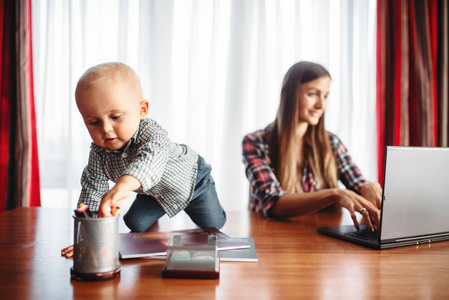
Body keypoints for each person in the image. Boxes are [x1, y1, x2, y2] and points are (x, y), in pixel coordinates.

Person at [62, 62, 226, 258]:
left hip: (195, 181)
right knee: (134, 224)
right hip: (153, 192)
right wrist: (88, 238)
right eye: (94, 122)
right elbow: (92, 192)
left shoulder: (153, 135)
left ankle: (209, 200)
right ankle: (155, 215)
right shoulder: (98, 152)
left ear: (142, 110)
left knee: (214, 225)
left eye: (115, 116)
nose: (105, 129)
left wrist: (123, 186)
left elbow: (149, 162)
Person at [242, 61, 381, 231]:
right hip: (272, 240)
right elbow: (273, 203)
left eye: (325, 96)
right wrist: (335, 194)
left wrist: (367, 188)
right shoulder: (256, 142)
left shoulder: (332, 142)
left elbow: (358, 184)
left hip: (319, 240)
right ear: (290, 95)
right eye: (313, 94)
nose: (321, 105)